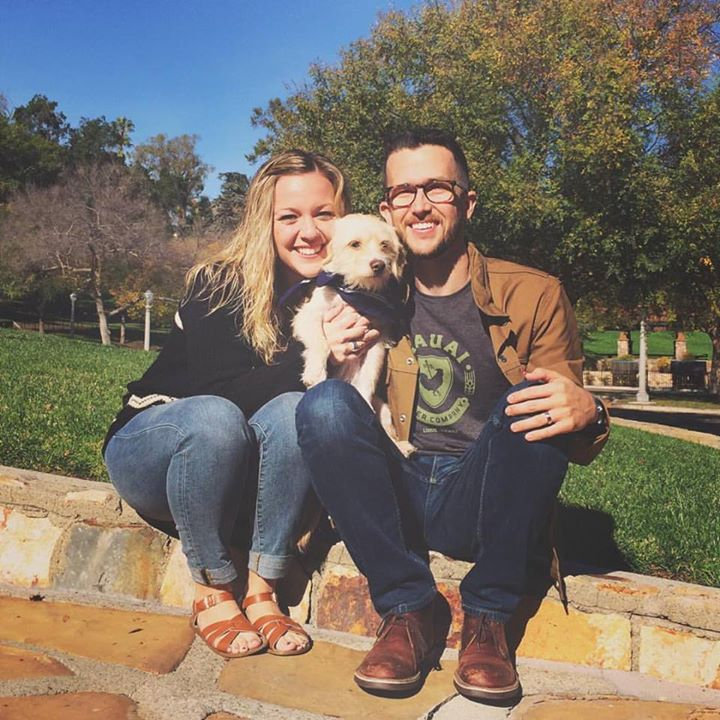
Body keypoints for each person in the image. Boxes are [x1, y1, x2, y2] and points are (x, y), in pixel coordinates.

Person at [295, 128, 610, 701]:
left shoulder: (534, 294)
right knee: (324, 406)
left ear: (467, 202)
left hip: (483, 492)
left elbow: (568, 420)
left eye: (437, 188)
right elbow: (307, 359)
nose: (419, 205)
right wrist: (333, 351)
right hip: (398, 481)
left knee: (534, 399)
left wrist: (591, 411)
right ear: (387, 211)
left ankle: (488, 617)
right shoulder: (370, 286)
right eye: (404, 192)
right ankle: (407, 607)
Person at [103, 150, 350, 659]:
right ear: (265, 222)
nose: (309, 231)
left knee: (295, 409)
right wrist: (321, 350)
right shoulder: (217, 281)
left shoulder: (343, 294)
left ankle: (262, 588)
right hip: (160, 447)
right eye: (289, 216)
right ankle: (213, 587)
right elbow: (223, 395)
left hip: (240, 470)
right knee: (216, 417)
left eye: (323, 213)